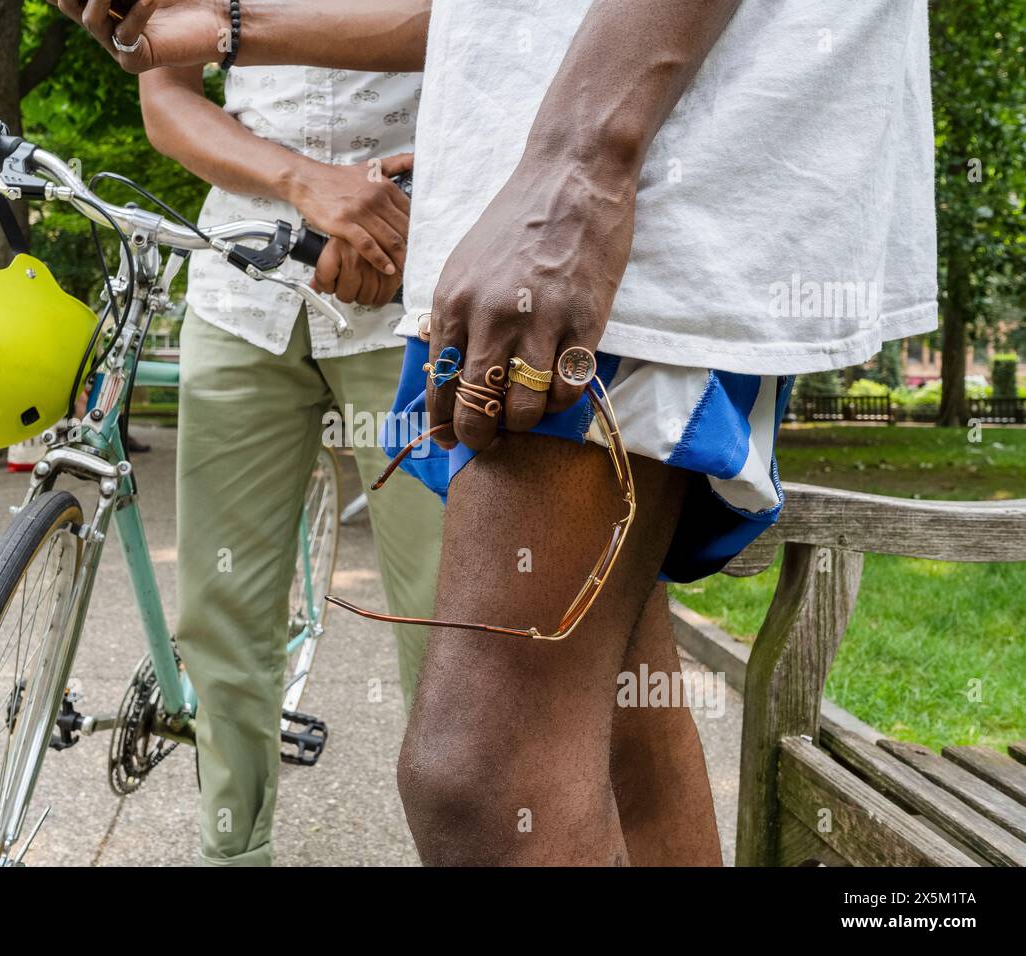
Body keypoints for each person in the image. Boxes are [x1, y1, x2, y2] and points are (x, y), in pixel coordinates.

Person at [50, 0, 936, 866]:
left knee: (478, 770)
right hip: (484, 224)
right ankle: (233, 849)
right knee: (607, 713)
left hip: (598, 205)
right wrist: (225, 30)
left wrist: (582, 164)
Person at [81, 9, 443, 867]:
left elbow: (484, 26)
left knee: (446, 621)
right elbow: (166, 99)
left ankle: (474, 846)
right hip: (243, 278)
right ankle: (232, 854)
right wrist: (302, 181)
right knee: (221, 614)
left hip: (418, 275)